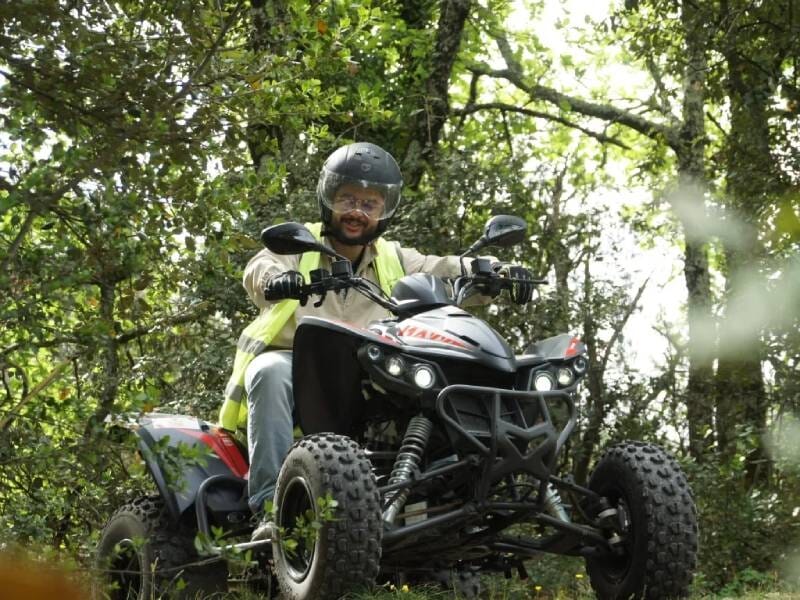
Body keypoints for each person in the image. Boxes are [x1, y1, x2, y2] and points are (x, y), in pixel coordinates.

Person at [218, 142, 530, 539]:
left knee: (433, 387)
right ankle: (270, 509)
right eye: (348, 198)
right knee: (269, 371)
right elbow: (260, 269)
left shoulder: (395, 258)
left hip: (370, 375)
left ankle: (429, 509)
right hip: (298, 366)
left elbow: (445, 268)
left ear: (385, 210)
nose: (356, 211)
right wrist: (277, 280)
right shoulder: (299, 247)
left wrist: (495, 272)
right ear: (328, 197)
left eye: (370, 203)